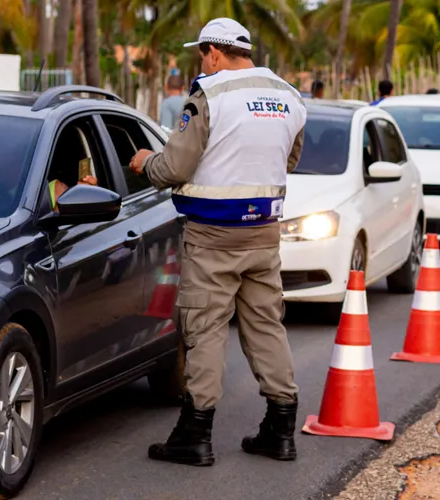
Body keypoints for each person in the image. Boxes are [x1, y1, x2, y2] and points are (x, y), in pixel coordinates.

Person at [128, 17, 307, 467]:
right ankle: (281, 428)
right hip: (264, 233)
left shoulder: (209, 95)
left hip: (212, 236)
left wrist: (146, 161)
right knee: (266, 324)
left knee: (205, 328)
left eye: (201, 55)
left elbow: (174, 169)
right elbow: (291, 157)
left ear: (213, 52)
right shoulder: (288, 94)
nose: (201, 63)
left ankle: (195, 434)